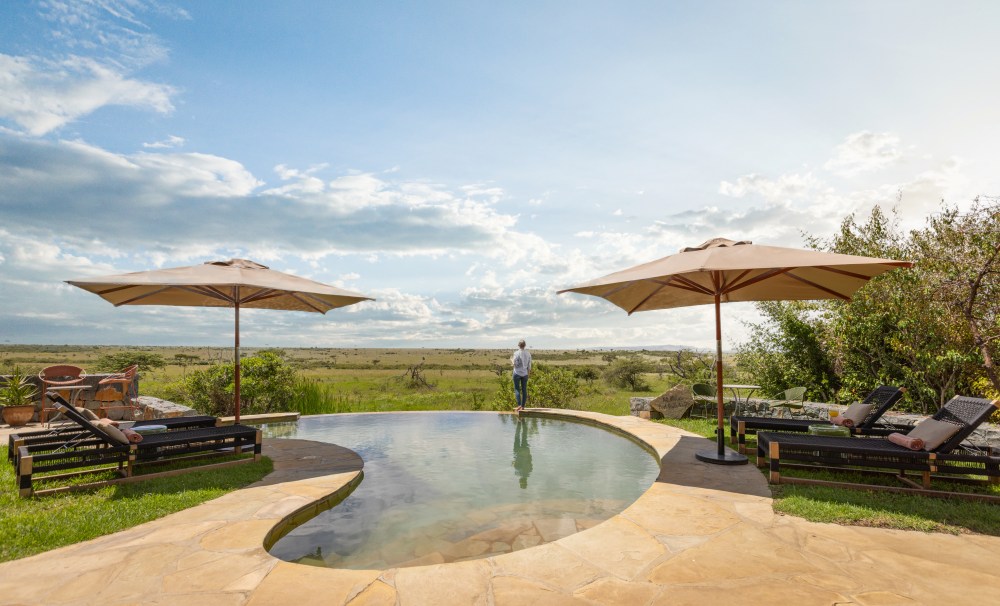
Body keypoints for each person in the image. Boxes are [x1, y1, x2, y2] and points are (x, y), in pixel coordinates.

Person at [511, 339, 532, 412]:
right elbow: (529, 366)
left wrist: (512, 362)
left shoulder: (516, 353)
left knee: (517, 389)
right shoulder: (528, 354)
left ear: (518, 345)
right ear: (525, 345)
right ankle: (523, 406)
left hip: (516, 373)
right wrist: (528, 375)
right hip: (525, 374)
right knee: (524, 390)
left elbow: (514, 364)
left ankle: (519, 405)